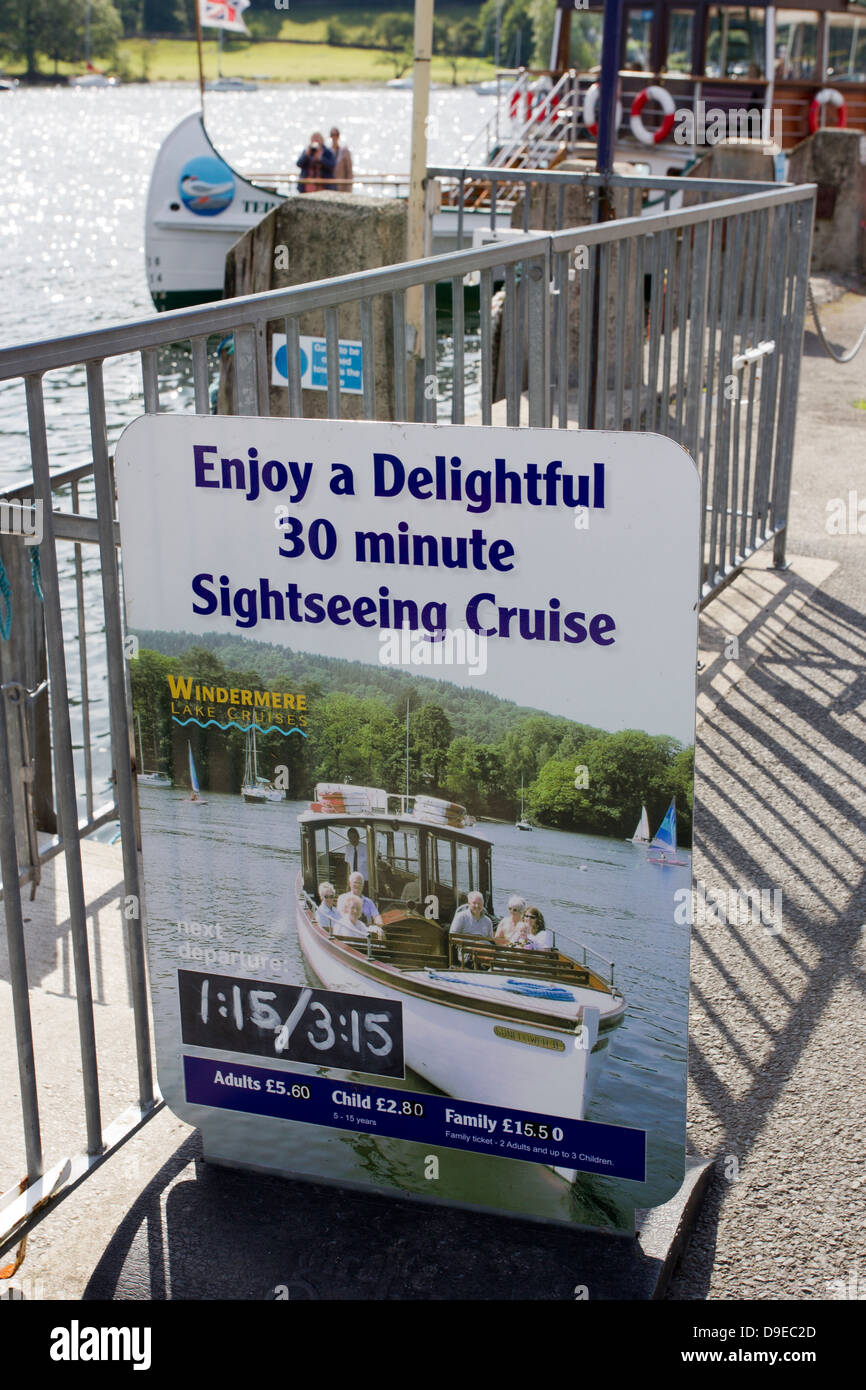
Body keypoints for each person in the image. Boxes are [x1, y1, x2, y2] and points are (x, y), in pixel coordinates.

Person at [329, 127, 353, 191]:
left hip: (341, 185)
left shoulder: (344, 151)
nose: (334, 137)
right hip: (330, 185)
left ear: (338, 136)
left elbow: (349, 170)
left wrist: (349, 186)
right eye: (332, 135)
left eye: (336, 135)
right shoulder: (328, 151)